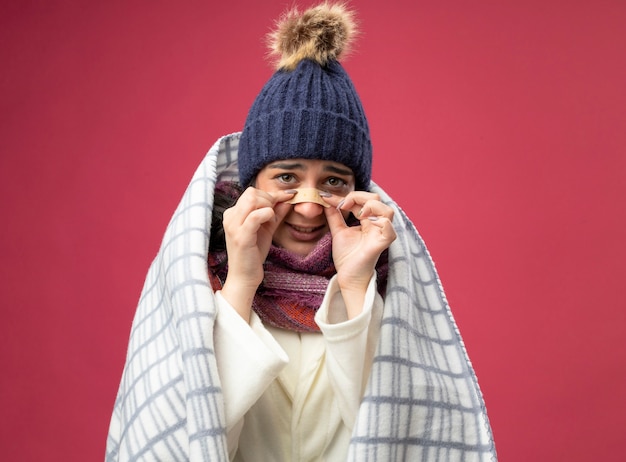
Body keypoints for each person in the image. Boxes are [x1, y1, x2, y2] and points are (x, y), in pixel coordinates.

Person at [106, 3, 496, 461]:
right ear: (252, 185)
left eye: (333, 181)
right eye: (287, 178)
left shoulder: (387, 298)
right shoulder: (196, 292)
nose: (310, 205)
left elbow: (391, 440)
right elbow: (196, 439)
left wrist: (353, 285)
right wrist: (242, 282)